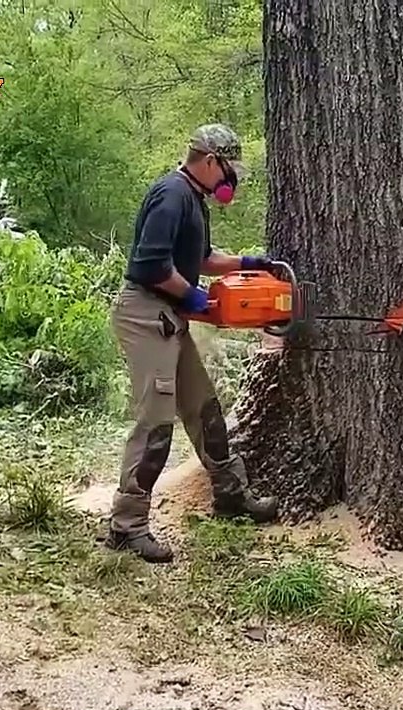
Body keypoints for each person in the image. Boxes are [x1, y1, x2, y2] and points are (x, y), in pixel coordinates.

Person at [106, 123, 279, 563]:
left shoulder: (192, 199)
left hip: (169, 317)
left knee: (205, 409)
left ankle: (230, 494)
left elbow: (200, 260)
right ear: (208, 161)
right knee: (156, 423)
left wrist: (248, 263)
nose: (228, 181)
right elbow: (150, 266)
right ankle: (127, 526)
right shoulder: (171, 195)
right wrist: (196, 298)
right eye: (226, 170)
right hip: (147, 315)